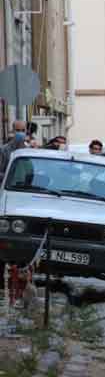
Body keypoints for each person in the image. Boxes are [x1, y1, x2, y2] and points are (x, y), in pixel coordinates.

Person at [0, 121, 28, 289]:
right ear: (12, 131)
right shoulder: (4, 151)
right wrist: (12, 174)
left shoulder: (30, 151)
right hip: (9, 194)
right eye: (17, 130)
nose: (20, 134)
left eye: (22, 130)